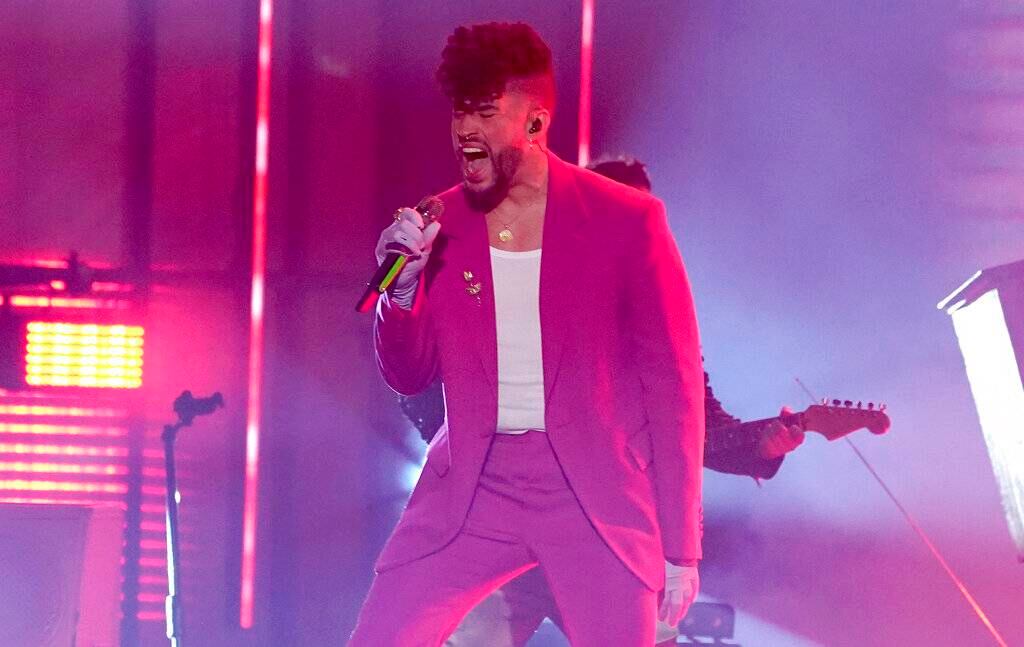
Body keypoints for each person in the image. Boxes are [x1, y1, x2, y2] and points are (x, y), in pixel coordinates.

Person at [349, 23, 706, 646]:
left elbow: (673, 387)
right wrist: (401, 293)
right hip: (474, 487)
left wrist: (681, 547)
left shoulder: (627, 221)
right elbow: (409, 373)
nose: (466, 129)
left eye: (486, 112)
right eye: (460, 111)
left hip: (592, 492)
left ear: (535, 121)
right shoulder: (440, 224)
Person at [395, 157, 804, 646]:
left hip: (611, 541)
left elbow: (698, 430)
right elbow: (417, 376)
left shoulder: (659, 319)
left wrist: (762, 446)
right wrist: (460, 442)